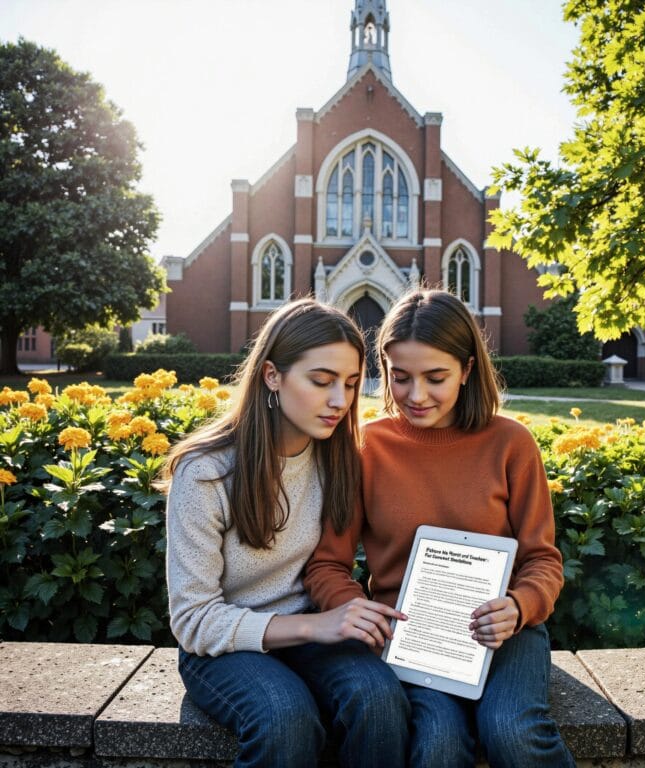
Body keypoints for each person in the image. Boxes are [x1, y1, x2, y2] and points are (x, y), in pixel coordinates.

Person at [305, 289, 576, 768]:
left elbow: (542, 560)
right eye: (400, 377)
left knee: (512, 730)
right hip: (414, 638)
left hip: (506, 632)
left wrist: (519, 605)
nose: (416, 395)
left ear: (467, 370)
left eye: (436, 378)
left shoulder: (511, 443)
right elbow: (327, 564)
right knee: (437, 746)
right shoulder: (367, 448)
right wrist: (357, 611)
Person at [162, 299, 410, 768]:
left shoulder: (338, 460)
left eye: (352, 384)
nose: (340, 400)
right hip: (223, 648)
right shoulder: (206, 473)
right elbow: (193, 620)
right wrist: (313, 626)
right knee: (284, 716)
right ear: (272, 376)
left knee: (379, 698)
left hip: (315, 635)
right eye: (321, 381)